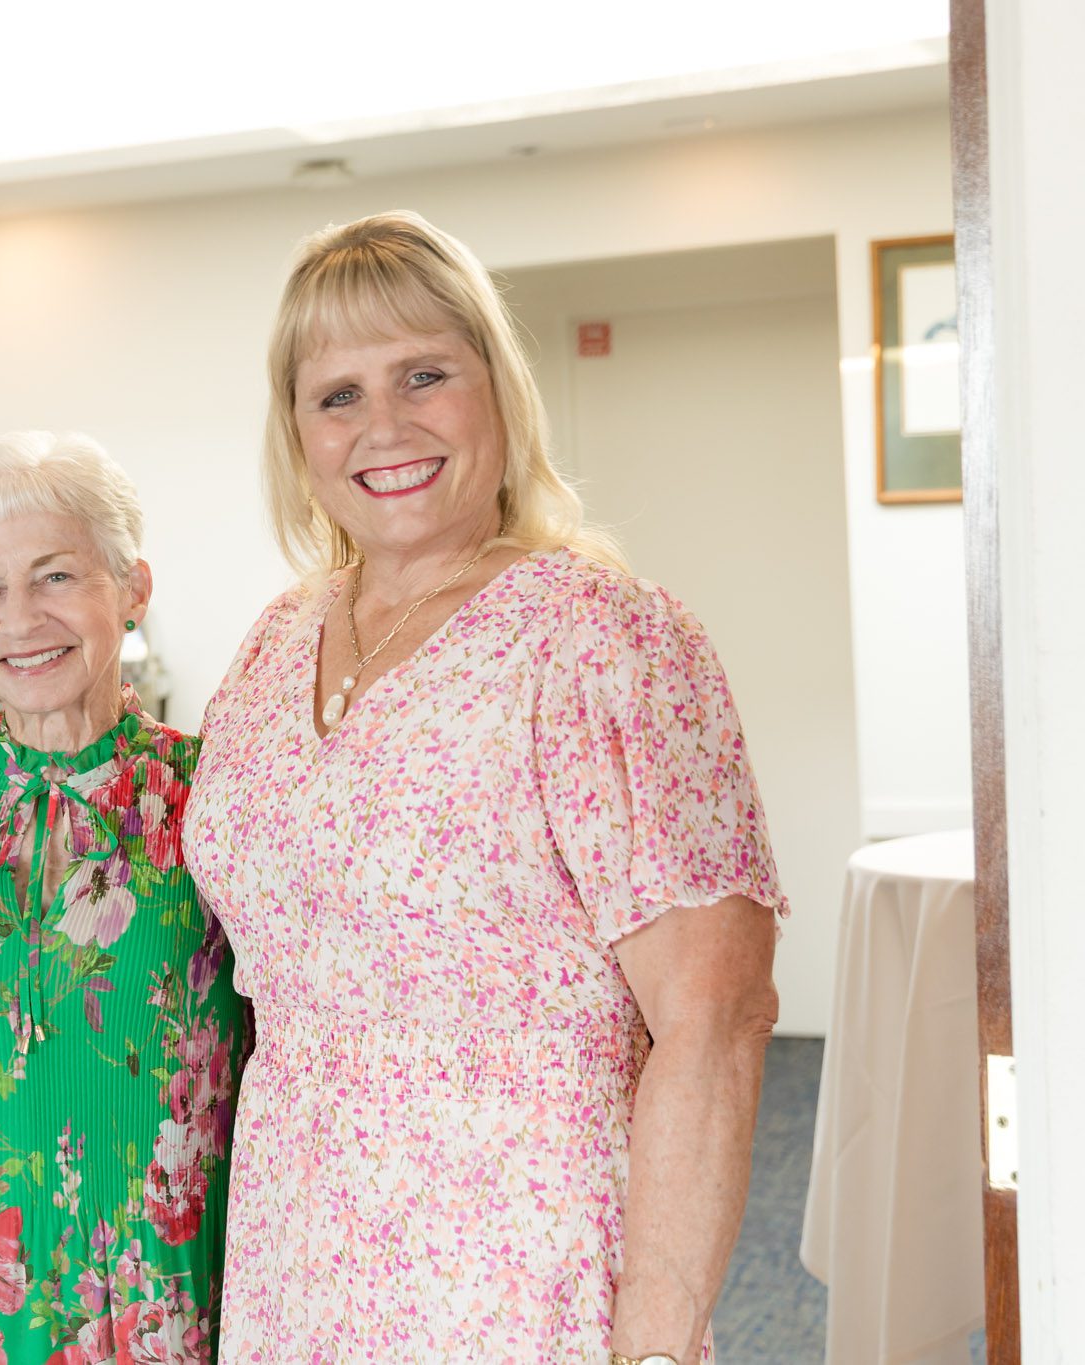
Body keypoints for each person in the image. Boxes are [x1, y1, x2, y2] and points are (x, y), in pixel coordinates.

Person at [183, 211, 786, 1364]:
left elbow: (715, 1020)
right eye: (337, 394)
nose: (385, 426)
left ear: (497, 392)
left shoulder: (601, 639)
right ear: (296, 432)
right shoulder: (273, 643)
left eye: (424, 375)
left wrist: (655, 1345)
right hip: (295, 1265)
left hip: (522, 1267)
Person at [0, 432, 247, 1364]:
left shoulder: (219, 793)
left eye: (57, 576)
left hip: (165, 1285)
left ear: (133, 587)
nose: (23, 618)